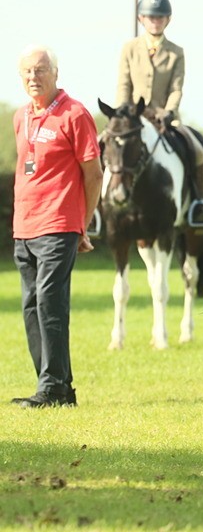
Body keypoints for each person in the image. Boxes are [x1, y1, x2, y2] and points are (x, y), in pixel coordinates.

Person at [11, 46, 102, 408]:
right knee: (31, 307)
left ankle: (51, 389)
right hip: (25, 226)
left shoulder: (75, 114)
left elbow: (93, 173)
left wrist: (83, 224)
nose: (34, 76)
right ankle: (56, 388)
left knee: (50, 302)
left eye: (41, 69)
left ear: (56, 73)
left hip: (58, 224)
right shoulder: (20, 117)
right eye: (28, 72)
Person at [116, 0, 203, 226]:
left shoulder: (176, 52)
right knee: (102, 146)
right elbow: (124, 84)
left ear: (167, 19)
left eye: (160, 17)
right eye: (151, 17)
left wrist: (169, 111)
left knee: (197, 150)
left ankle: (199, 205)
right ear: (141, 19)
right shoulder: (129, 48)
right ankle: (97, 209)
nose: (155, 21)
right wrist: (122, 112)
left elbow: (177, 87)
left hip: (164, 117)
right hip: (134, 117)